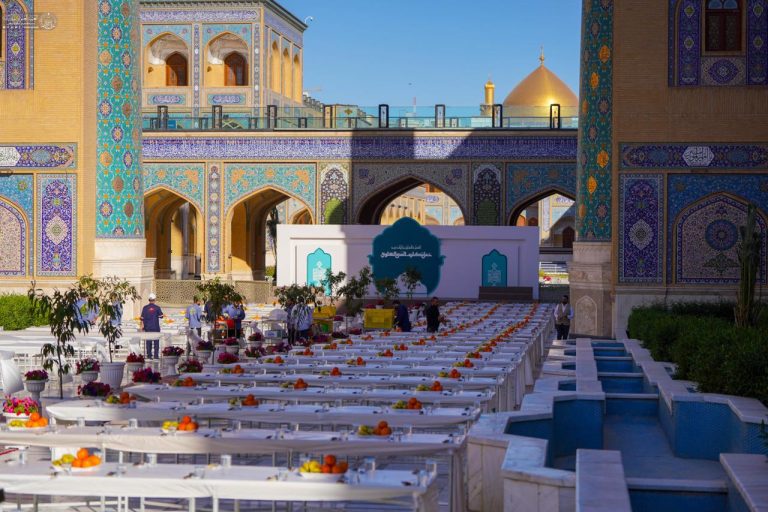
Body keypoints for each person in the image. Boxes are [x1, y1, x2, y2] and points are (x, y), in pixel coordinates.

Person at [140, 293, 164, 360]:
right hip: (155, 327)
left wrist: (142, 326)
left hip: (147, 327)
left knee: (148, 342)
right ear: (154, 300)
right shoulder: (157, 308)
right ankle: (156, 356)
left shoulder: (145, 308)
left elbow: (142, 318)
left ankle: (149, 355)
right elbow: (161, 316)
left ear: (149, 299)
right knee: (156, 342)